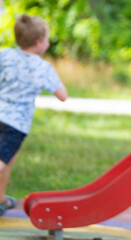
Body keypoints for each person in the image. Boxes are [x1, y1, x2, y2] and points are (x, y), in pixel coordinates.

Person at [0, 14, 67, 215]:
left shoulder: (5, 55)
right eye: (47, 39)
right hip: (16, 125)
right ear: (39, 43)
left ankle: (1, 199)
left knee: (7, 161)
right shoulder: (43, 68)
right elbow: (62, 95)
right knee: (3, 160)